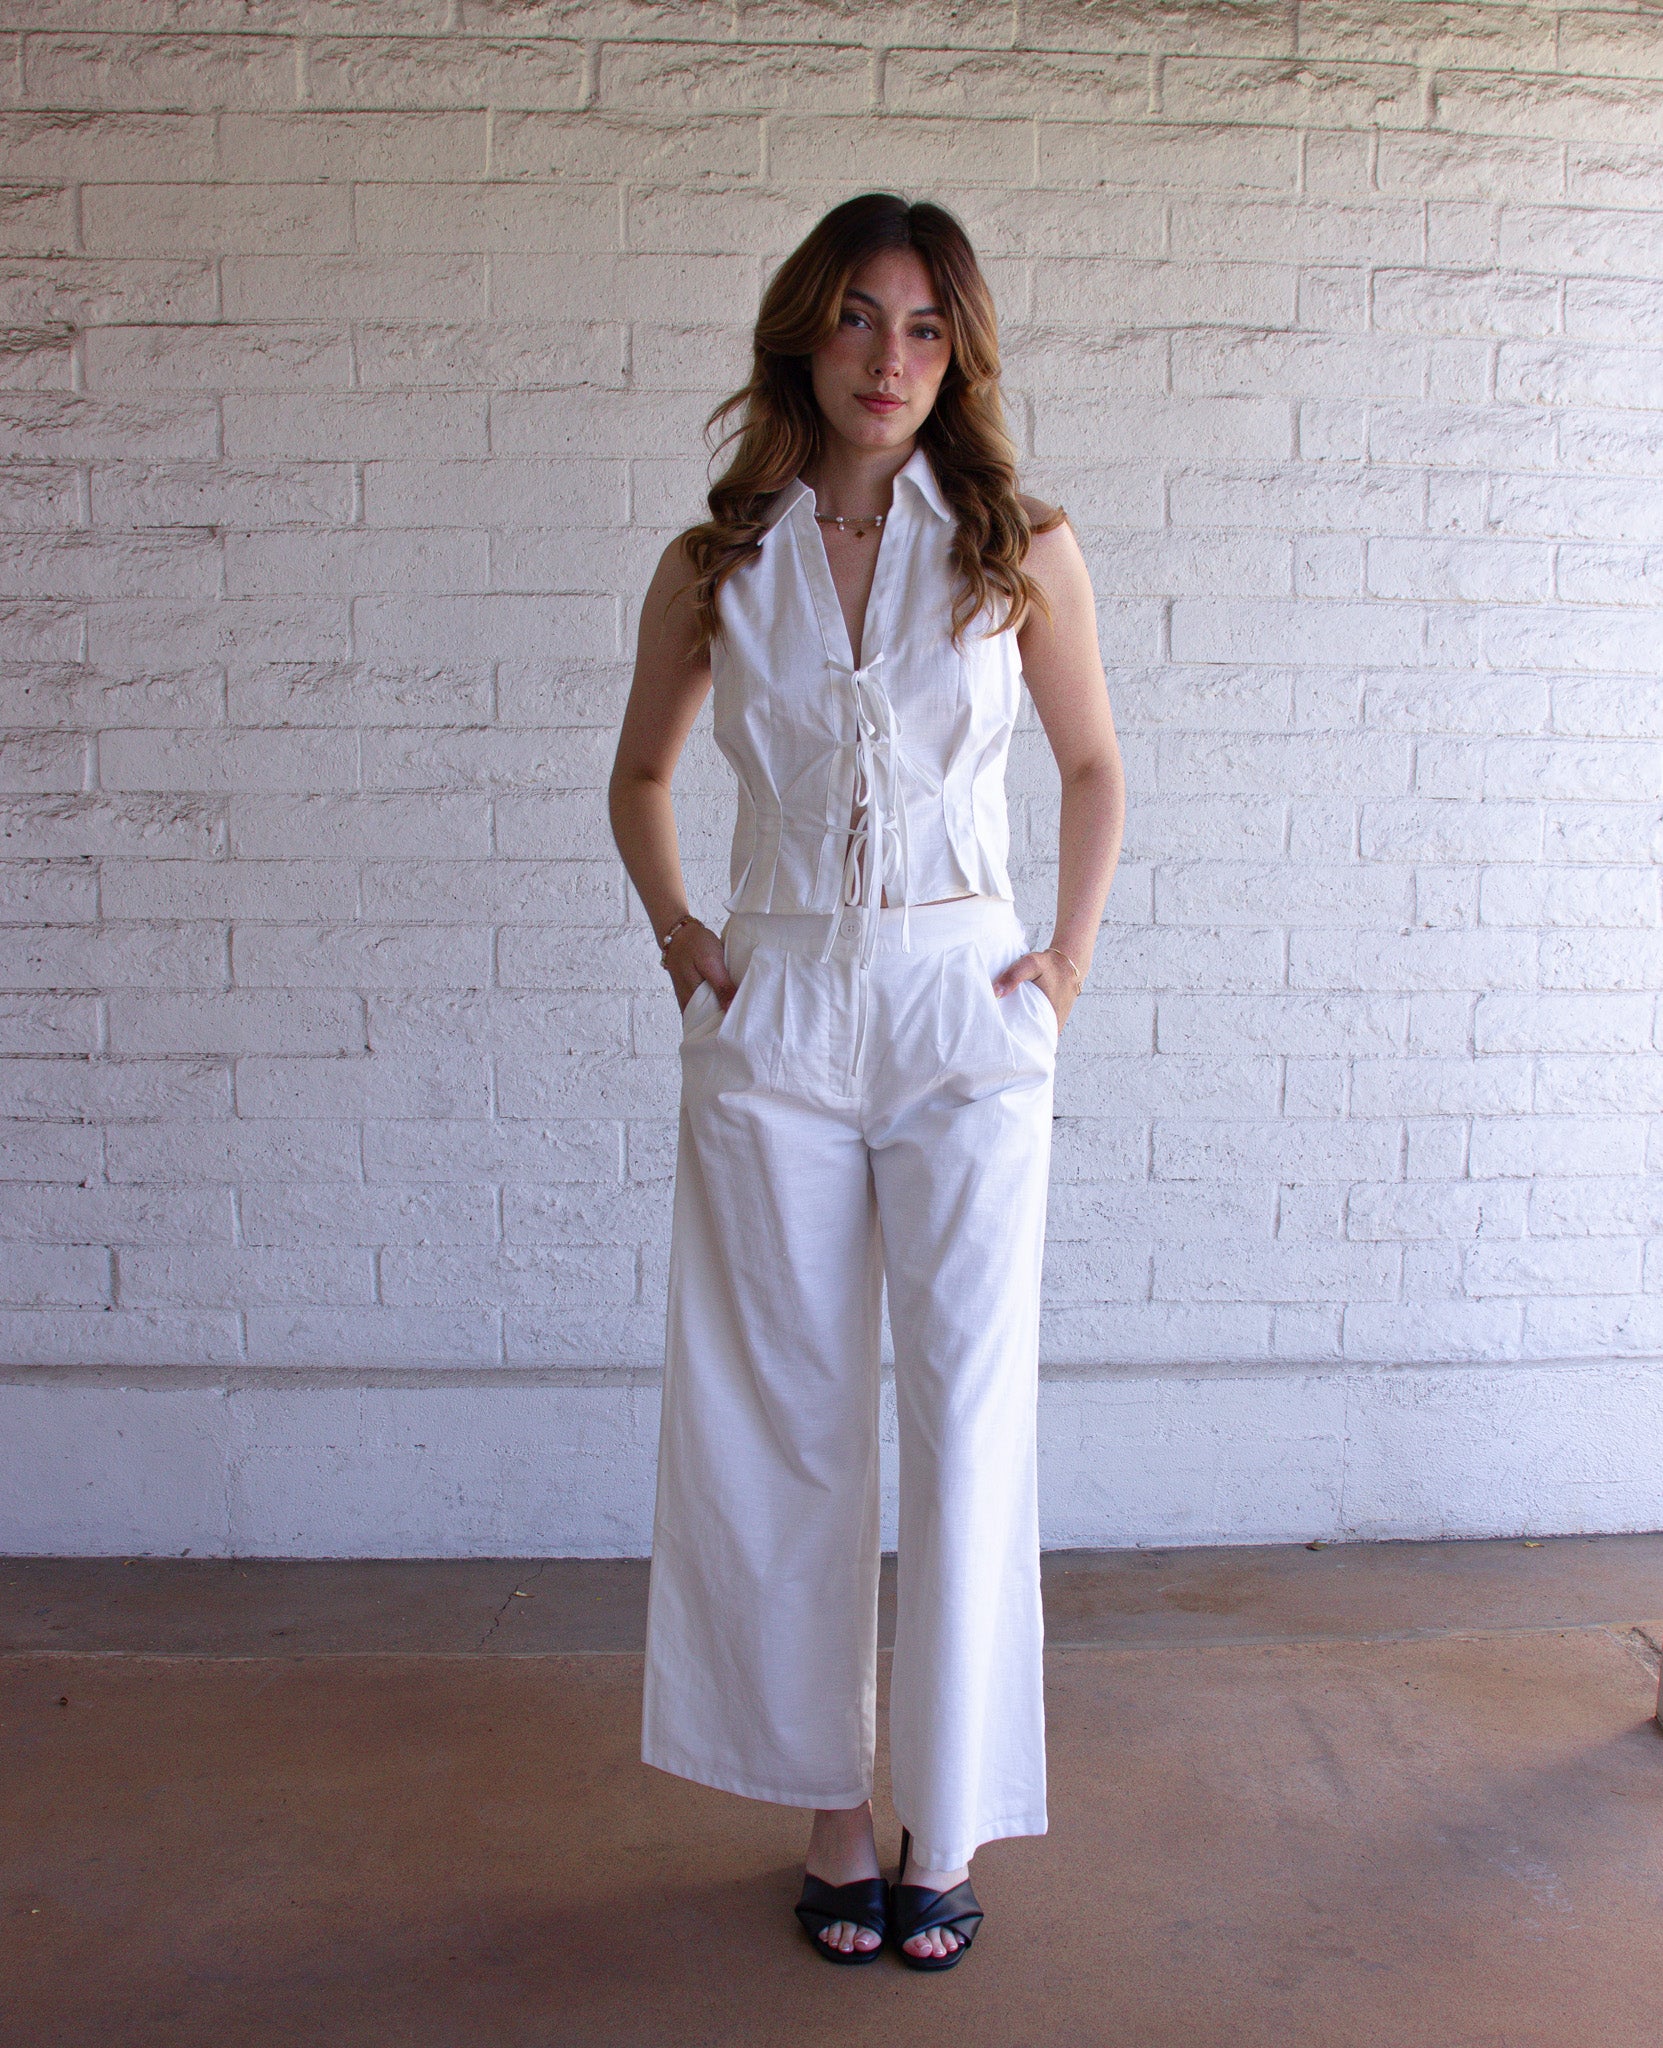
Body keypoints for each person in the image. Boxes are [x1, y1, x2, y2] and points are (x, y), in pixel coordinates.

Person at [608, 191, 1124, 1971]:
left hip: (962, 1009)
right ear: (802, 337)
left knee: (967, 1413)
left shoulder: (1017, 546)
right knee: (785, 1413)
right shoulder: (718, 560)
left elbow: (1094, 765)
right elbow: (642, 776)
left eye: (920, 326)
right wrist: (687, 939)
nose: (886, 358)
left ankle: (944, 1815)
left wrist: (1062, 966)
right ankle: (830, 1808)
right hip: (780, 1010)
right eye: (854, 318)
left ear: (956, 352)